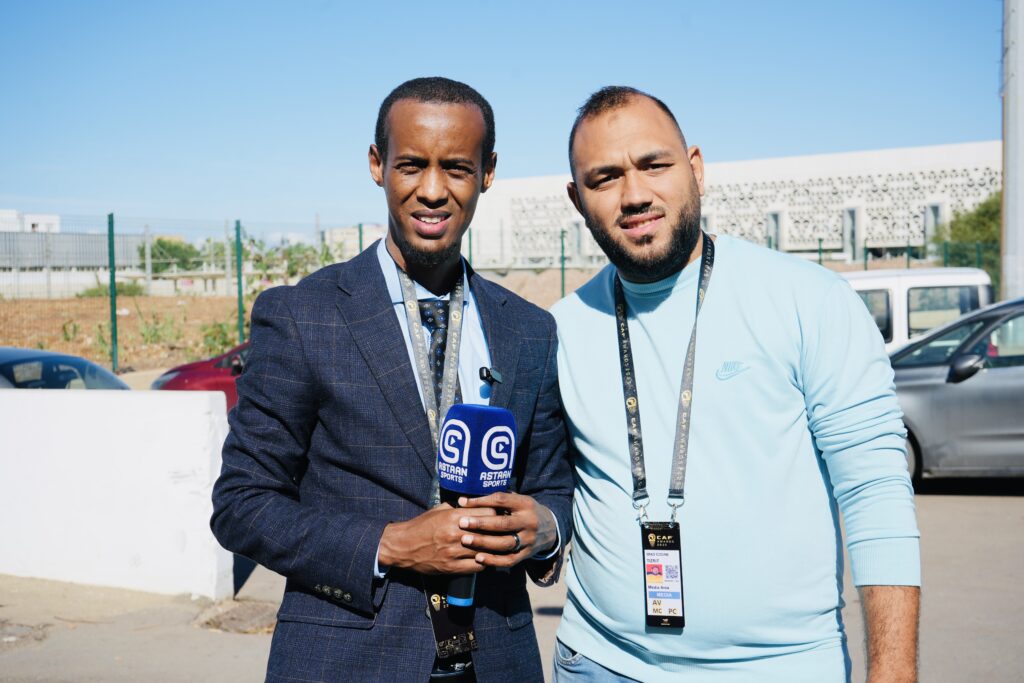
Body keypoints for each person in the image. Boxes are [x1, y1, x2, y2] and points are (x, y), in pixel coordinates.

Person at [550, 86, 920, 682]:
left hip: (781, 669)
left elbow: (875, 491)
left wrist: (894, 673)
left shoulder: (809, 300)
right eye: (605, 177)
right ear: (577, 197)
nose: (635, 194)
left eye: (654, 165)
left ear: (695, 168)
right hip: (599, 664)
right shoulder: (561, 329)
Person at [211, 77, 572, 683]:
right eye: (411, 165)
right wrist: (390, 544)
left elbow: (555, 487)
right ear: (377, 165)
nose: (432, 190)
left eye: (457, 168)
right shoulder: (304, 315)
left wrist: (544, 529)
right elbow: (242, 505)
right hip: (345, 660)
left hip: (499, 660)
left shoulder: (530, 330)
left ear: (487, 172)